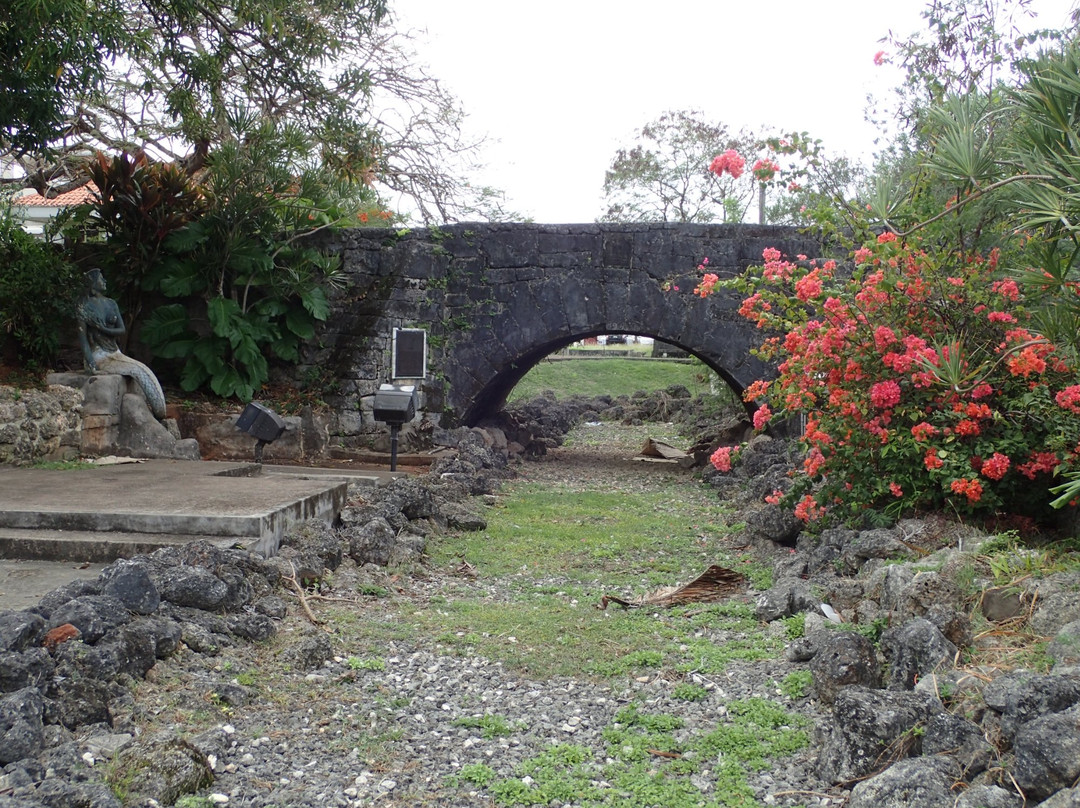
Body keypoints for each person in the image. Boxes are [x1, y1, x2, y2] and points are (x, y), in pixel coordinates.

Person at [77, 268, 167, 419]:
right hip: (98, 355)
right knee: (137, 370)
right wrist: (91, 365)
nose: (104, 281)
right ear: (93, 284)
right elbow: (83, 340)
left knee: (142, 369)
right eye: (101, 279)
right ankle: (159, 413)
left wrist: (104, 328)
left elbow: (121, 329)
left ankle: (160, 411)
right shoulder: (83, 307)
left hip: (114, 351)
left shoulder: (111, 303)